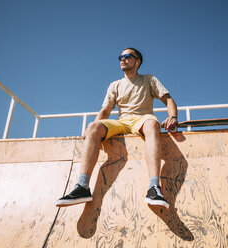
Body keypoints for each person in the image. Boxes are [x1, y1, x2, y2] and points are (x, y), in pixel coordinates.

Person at [56, 47, 178, 209]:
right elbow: (106, 110)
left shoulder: (149, 79)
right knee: (93, 127)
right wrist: (92, 130)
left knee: (153, 123)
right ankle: (82, 187)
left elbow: (168, 100)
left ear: (137, 61)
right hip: (121, 122)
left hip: (142, 119)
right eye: (121, 56)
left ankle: (154, 188)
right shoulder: (115, 85)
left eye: (127, 56)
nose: (123, 59)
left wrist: (173, 117)